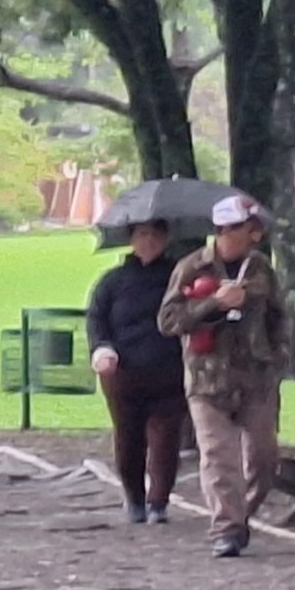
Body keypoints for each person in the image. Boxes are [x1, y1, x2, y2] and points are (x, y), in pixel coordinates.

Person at [158, 194, 289, 558]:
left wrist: (279, 357)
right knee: (218, 456)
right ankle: (226, 529)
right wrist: (214, 302)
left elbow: (278, 315)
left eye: (242, 229)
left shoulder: (261, 268)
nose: (233, 236)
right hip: (207, 380)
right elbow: (168, 321)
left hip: (257, 378)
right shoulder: (192, 267)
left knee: (264, 459)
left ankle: (241, 514)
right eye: (226, 230)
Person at [87, 219, 188, 524]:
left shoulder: (179, 279)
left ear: (166, 238)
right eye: (142, 234)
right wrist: (102, 349)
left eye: (156, 234)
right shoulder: (112, 282)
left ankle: (159, 500)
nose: (149, 241)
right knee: (128, 436)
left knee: (166, 437)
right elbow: (96, 320)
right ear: (131, 238)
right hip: (123, 373)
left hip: (170, 371)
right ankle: (134, 498)